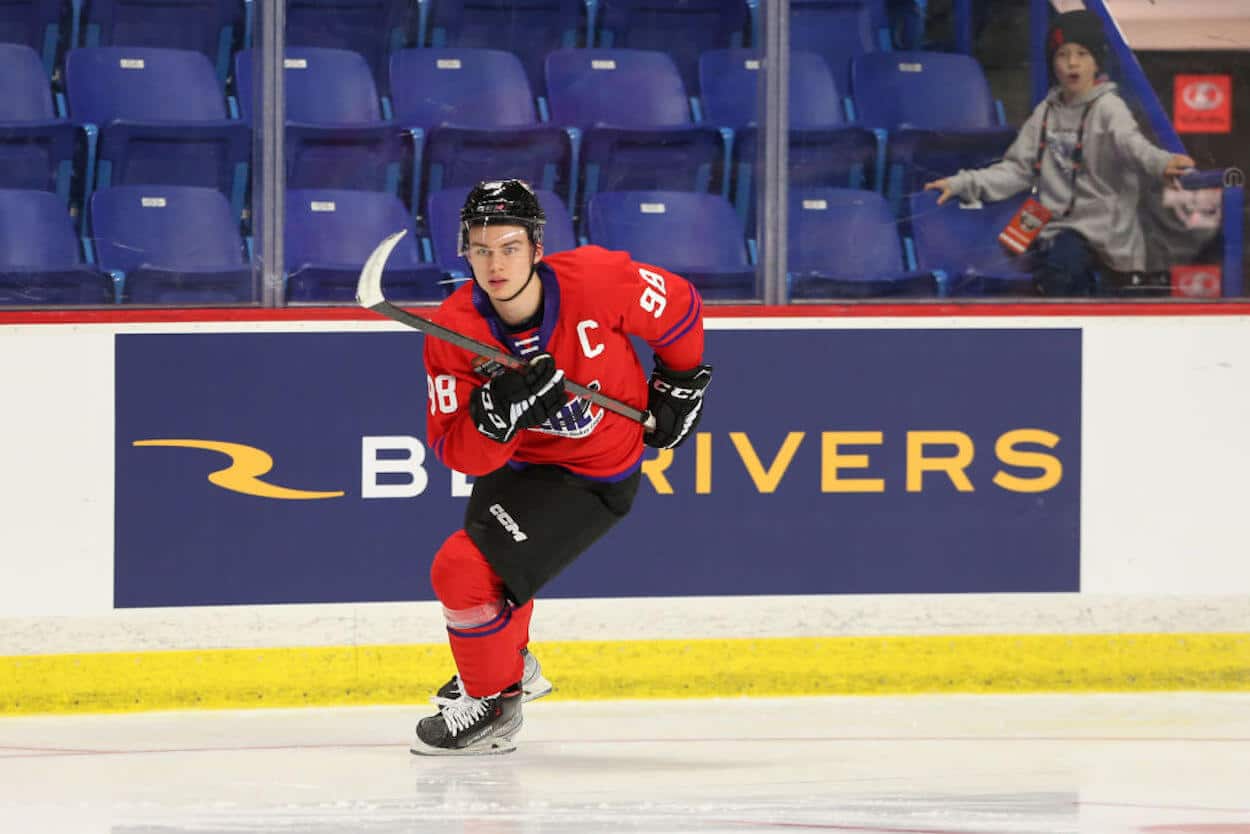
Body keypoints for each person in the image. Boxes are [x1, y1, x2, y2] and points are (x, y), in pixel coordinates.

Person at [410, 179, 712, 756]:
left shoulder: (598, 280)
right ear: (464, 252)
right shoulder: (453, 332)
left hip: (595, 477)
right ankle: (506, 669)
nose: (495, 264)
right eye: (481, 249)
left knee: (462, 567)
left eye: (509, 247)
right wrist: (497, 412)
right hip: (521, 468)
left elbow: (679, 306)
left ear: (537, 248)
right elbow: (457, 451)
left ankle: (495, 704)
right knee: (490, 572)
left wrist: (678, 383)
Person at [924, 9, 1196, 296]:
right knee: (1051, 263)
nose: (1072, 63)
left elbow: (1133, 145)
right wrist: (962, 183)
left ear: (1096, 62)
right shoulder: (1045, 112)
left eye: (1082, 54)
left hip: (1106, 233)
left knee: (1079, 270)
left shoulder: (1109, 108)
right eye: (1062, 55)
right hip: (1057, 231)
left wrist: (1163, 163)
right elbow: (1016, 170)